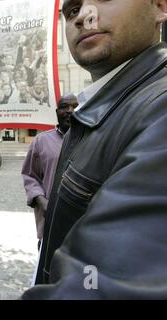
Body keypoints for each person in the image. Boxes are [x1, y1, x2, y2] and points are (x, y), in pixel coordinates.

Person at [23, 0, 167, 299]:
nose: (84, 16)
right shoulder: (100, 109)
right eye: (72, 10)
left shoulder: (159, 108)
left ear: (160, 6)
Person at [21, 93, 77, 247]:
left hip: (81, 225)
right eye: (64, 107)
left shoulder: (91, 140)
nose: (70, 111)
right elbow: (30, 176)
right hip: (50, 224)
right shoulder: (41, 141)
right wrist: (42, 201)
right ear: (57, 112)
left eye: (75, 107)